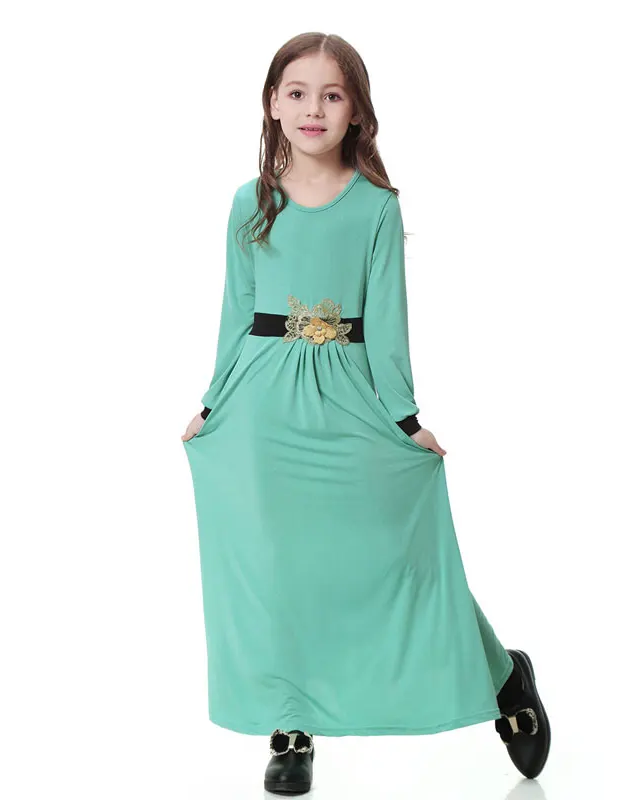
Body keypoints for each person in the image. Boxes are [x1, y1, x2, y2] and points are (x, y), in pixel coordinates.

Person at [181, 32, 551, 795]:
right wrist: (213, 402)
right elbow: (234, 313)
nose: (312, 108)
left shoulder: (377, 206)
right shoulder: (249, 202)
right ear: (271, 104)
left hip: (348, 396)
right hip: (261, 405)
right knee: (277, 569)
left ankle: (504, 674)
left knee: (397, 559)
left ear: (356, 111)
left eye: (332, 94)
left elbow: (386, 322)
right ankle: (290, 728)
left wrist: (406, 420)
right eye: (297, 92)